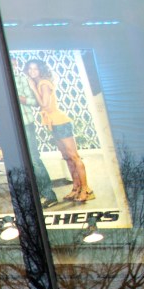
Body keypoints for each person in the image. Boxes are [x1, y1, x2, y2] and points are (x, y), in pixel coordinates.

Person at [23, 59, 92, 203]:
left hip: (61, 122)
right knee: (67, 157)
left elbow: (45, 105)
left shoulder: (43, 84)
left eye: (35, 69)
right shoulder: (39, 83)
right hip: (53, 124)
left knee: (74, 156)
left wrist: (33, 88)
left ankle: (86, 189)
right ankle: (75, 188)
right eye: (30, 69)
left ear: (41, 70)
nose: (32, 72)